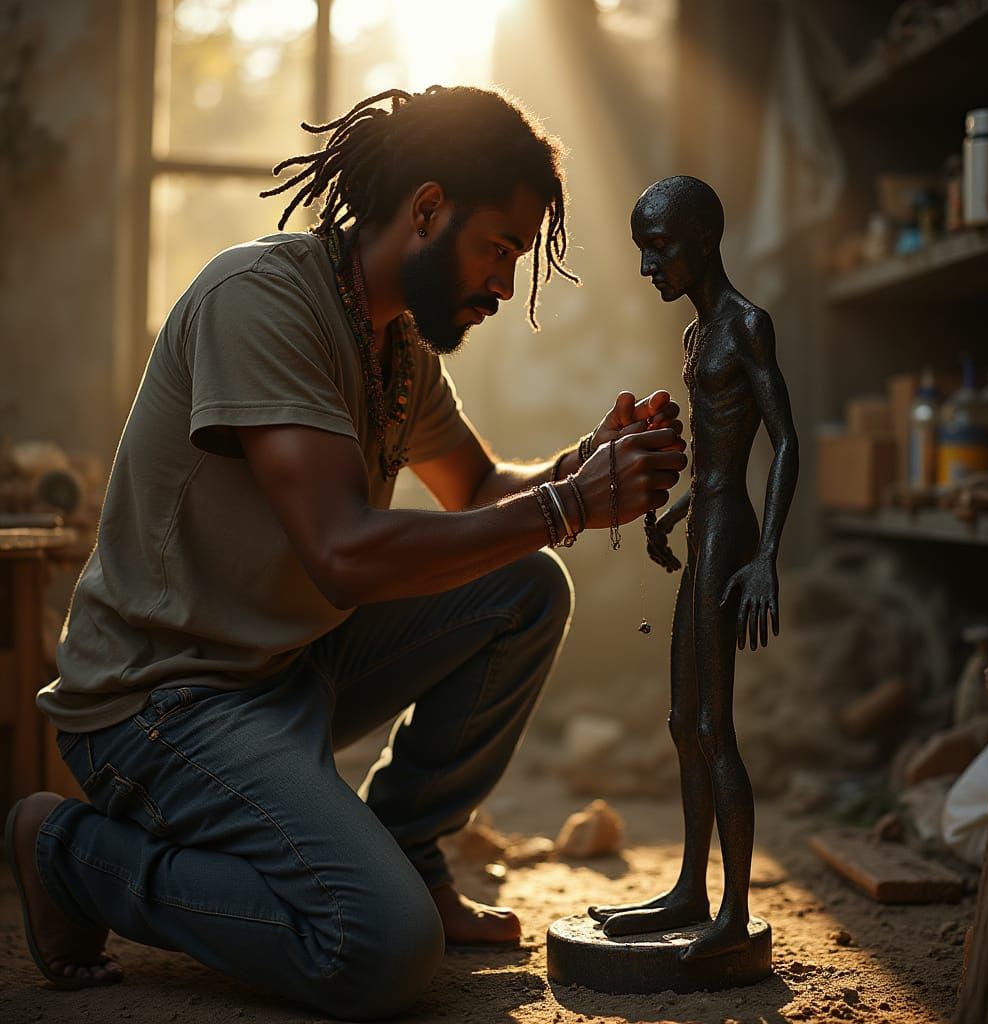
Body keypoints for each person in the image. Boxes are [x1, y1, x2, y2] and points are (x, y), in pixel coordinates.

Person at [7, 86, 687, 1019]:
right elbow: (343, 553)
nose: (503, 283)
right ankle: (71, 855)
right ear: (428, 209)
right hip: (161, 701)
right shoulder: (260, 300)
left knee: (526, 586)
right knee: (380, 949)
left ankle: (407, 846)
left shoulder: (396, 342)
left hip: (283, 670)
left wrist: (581, 465)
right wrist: (570, 504)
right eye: (499, 248)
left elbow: (478, 492)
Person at [589, 175, 798, 960]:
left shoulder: (746, 325)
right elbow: (712, 462)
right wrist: (672, 514)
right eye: (642, 251)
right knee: (683, 723)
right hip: (705, 520)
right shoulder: (696, 333)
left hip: (730, 532)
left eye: (658, 249)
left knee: (714, 726)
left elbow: (785, 442)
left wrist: (767, 555)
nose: (649, 268)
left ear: (703, 243)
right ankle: (689, 890)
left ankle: (735, 914)